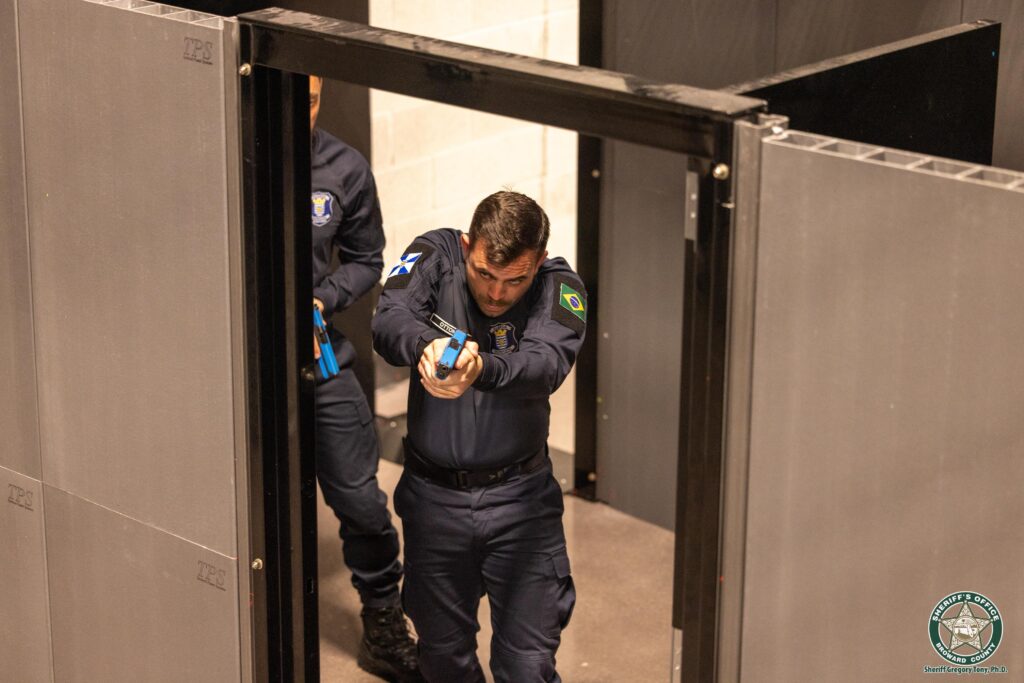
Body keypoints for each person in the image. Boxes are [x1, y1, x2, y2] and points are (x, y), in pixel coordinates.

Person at [372, 190, 586, 682]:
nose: (496, 294)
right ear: (469, 246)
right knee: (443, 659)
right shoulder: (435, 254)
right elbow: (388, 319)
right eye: (485, 274)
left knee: (527, 665)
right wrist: (427, 345)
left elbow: (546, 363)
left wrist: (481, 369)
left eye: (515, 281)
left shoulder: (559, 284)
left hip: (521, 504)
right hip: (435, 502)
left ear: (537, 263)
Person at [308, 75, 422, 682]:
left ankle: (382, 620)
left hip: (316, 354)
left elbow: (366, 259)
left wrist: (321, 299)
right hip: (231, 363)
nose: (302, 112)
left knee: (360, 500)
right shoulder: (221, 151)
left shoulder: (343, 168)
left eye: (312, 100)